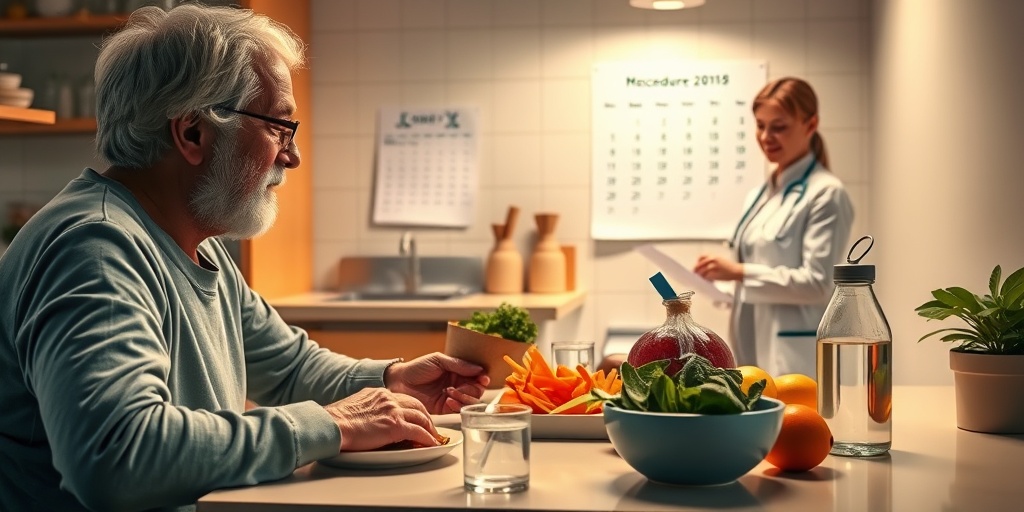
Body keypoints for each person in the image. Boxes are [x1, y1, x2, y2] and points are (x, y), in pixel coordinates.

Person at [0, 5, 488, 511]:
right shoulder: (96, 250)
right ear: (192, 132)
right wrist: (337, 423)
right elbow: (116, 454)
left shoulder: (194, 241)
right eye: (279, 126)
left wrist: (389, 381)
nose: (292, 155)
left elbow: (290, 366)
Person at [694, 77, 854, 378]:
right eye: (760, 125)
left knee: (794, 421)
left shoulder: (827, 193)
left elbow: (818, 283)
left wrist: (739, 272)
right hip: (750, 340)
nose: (766, 136)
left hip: (793, 354)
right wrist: (718, 283)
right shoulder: (760, 194)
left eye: (779, 126)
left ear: (810, 124)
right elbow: (762, 272)